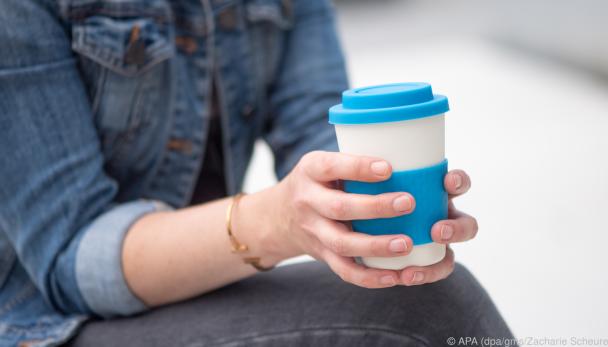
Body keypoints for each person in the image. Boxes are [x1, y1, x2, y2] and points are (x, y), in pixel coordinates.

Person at [0, 0, 515, 346]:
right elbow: (70, 261)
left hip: (209, 287)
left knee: (414, 290)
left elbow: (320, 133)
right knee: (429, 316)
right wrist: (275, 223)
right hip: (49, 325)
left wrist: (365, 206)